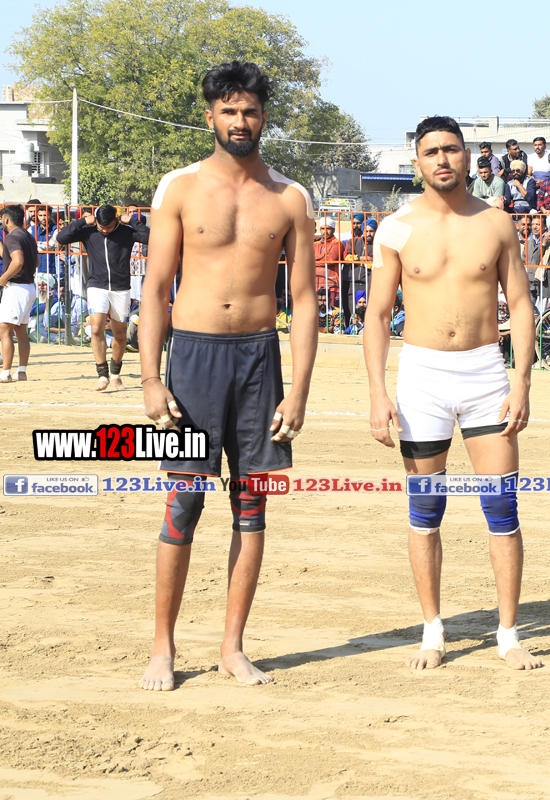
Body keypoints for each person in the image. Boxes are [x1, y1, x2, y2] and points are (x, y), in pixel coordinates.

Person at [137, 60, 318, 692]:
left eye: (251, 111)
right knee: (184, 500)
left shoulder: (291, 197)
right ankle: (162, 647)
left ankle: (232, 647)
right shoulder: (179, 188)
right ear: (210, 115)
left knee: (251, 501)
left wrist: (299, 391)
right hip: (192, 359)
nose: (241, 121)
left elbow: (304, 300)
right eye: (230, 111)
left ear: (264, 117)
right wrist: (150, 378)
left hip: (259, 359)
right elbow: (156, 289)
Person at [364, 115, 540, 672]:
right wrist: (377, 392)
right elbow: (376, 315)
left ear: (467, 156)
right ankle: (432, 630)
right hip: (422, 375)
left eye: (452, 149)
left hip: (485, 372)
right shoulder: (395, 228)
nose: (442, 159)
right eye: (431, 151)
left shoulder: (497, 223)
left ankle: (508, 634)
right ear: (417, 161)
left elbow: (521, 304)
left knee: (502, 505)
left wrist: (522, 380)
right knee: (425, 508)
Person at [56, 204, 150, 390]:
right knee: (97, 328)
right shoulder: (89, 232)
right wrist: (82, 221)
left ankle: (115, 372)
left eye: (109, 227)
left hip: (121, 288)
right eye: (101, 227)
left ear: (116, 220)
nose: (105, 230)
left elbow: (150, 237)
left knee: (120, 335)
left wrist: (132, 221)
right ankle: (102, 374)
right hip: (96, 285)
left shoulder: (126, 232)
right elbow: (61, 237)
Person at [0, 205, 39, 382]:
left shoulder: (12, 237)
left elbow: (18, 261)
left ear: (7, 219)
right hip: (29, 287)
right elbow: (36, 262)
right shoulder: (28, 236)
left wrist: (4, 277)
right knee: (21, 331)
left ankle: (5, 372)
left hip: (16, 287)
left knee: (5, 329)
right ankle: (21, 371)